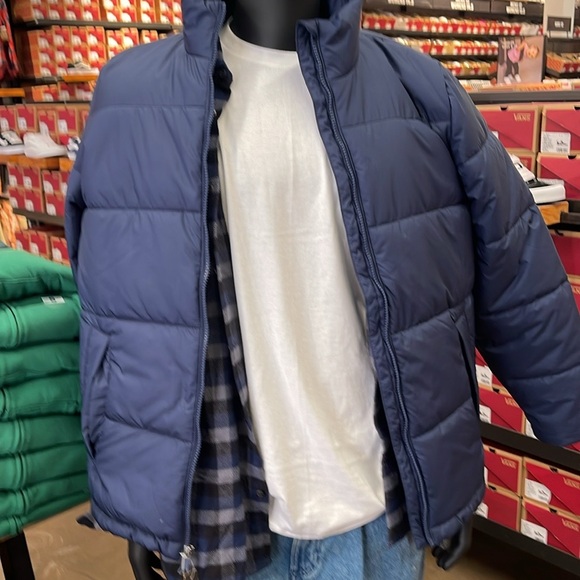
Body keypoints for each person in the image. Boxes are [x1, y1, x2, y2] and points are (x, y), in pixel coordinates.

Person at [65, 0, 580, 579]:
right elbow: (117, 315)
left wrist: (456, 475)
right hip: (222, 510)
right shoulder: (131, 96)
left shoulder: (417, 88)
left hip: (382, 507)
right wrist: (140, 497)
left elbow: (512, 257)